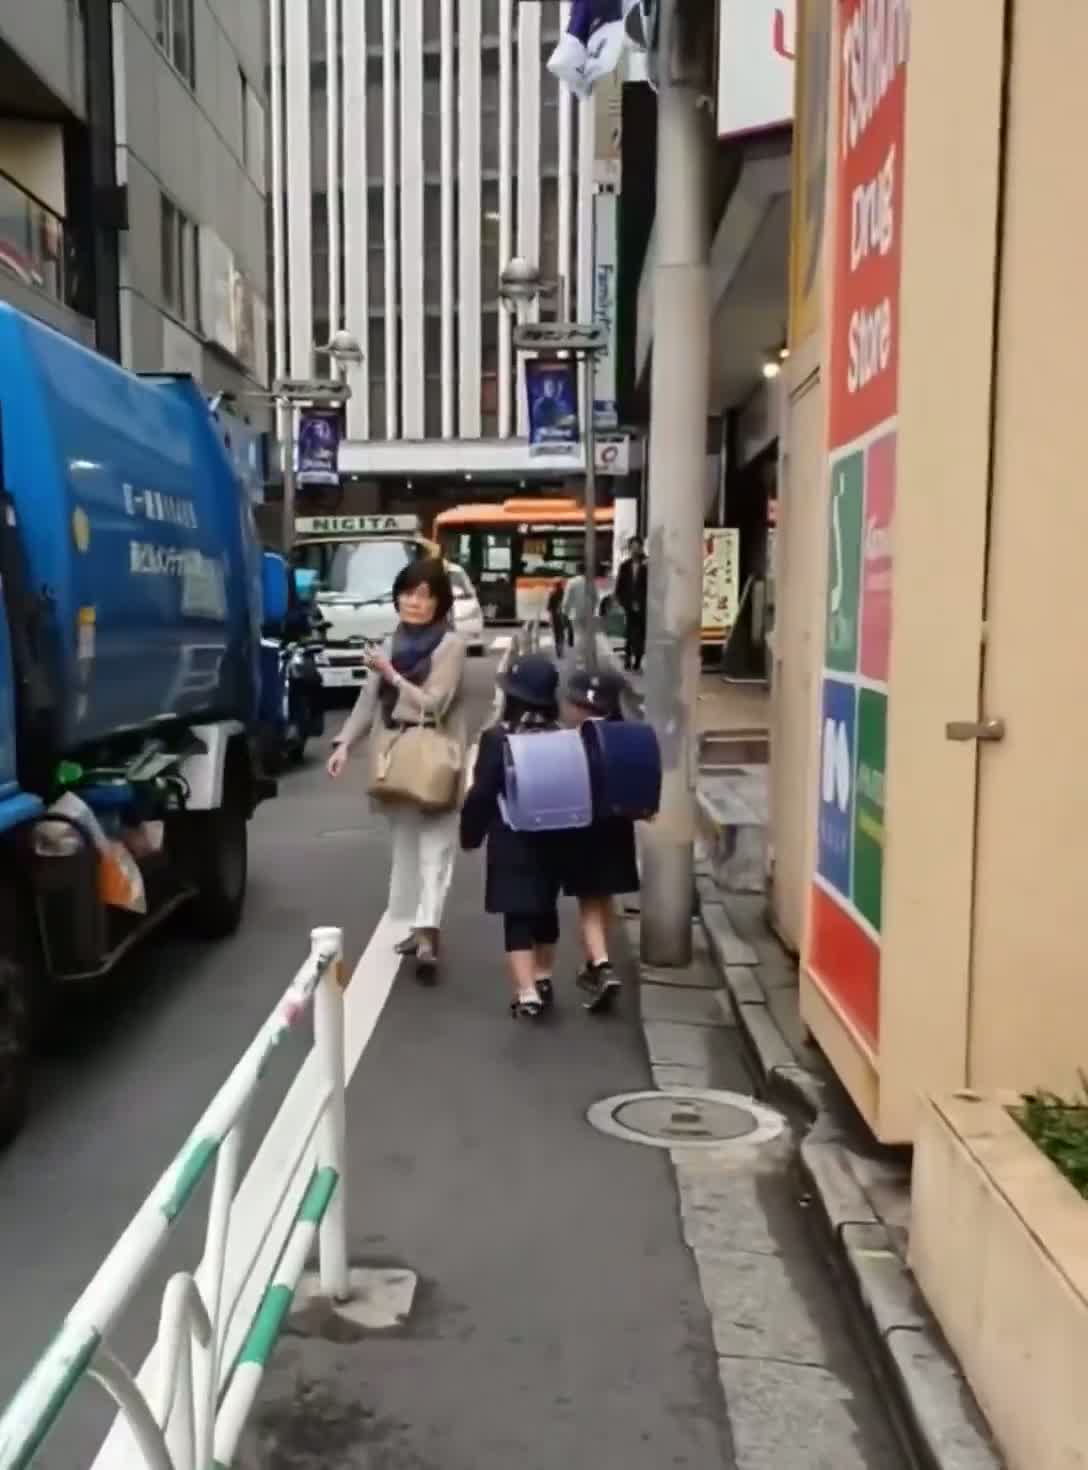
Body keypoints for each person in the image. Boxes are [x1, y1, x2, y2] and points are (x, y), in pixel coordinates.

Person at [327, 557, 466, 981]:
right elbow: (369, 700)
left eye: (425, 596)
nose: (414, 602)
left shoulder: (451, 646)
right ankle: (413, 926)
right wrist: (345, 743)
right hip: (394, 752)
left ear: (440, 603)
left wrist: (391, 674)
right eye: (408, 593)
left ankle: (428, 934)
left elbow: (434, 703)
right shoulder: (391, 643)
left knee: (435, 848)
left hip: (436, 751)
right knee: (405, 846)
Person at [460, 654, 563, 1019]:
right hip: (555, 836)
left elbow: (483, 793)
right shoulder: (562, 736)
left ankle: (527, 992)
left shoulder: (497, 739)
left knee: (517, 915)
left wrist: (470, 835)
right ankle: (545, 974)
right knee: (545, 908)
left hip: (511, 837)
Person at [559, 668, 640, 1012]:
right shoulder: (624, 736)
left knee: (589, 904)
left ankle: (602, 965)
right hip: (618, 829)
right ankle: (594, 961)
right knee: (603, 898)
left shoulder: (572, 741)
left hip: (583, 829)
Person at [615, 536, 648, 672]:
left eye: (637, 547)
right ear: (629, 549)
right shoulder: (624, 566)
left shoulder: (648, 564)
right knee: (629, 633)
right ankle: (628, 659)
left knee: (641, 635)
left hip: (644, 606)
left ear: (641, 548)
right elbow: (619, 588)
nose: (635, 550)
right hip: (629, 606)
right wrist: (624, 603)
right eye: (632, 547)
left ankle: (638, 661)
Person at [561, 562, 594, 653]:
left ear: (576, 571)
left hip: (574, 613)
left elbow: (566, 599)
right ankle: (586, 655)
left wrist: (565, 611)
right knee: (586, 635)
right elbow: (596, 598)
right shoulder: (590, 582)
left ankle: (580, 658)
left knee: (578, 635)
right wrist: (592, 610)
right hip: (587, 613)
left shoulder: (571, 582)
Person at [546, 578, 568, 652]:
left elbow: (548, 607)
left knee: (556, 631)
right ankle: (561, 645)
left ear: (555, 585)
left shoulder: (552, 594)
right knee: (561, 631)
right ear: (561, 585)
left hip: (554, 615)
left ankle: (558, 646)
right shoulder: (565, 594)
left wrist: (550, 613)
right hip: (563, 615)